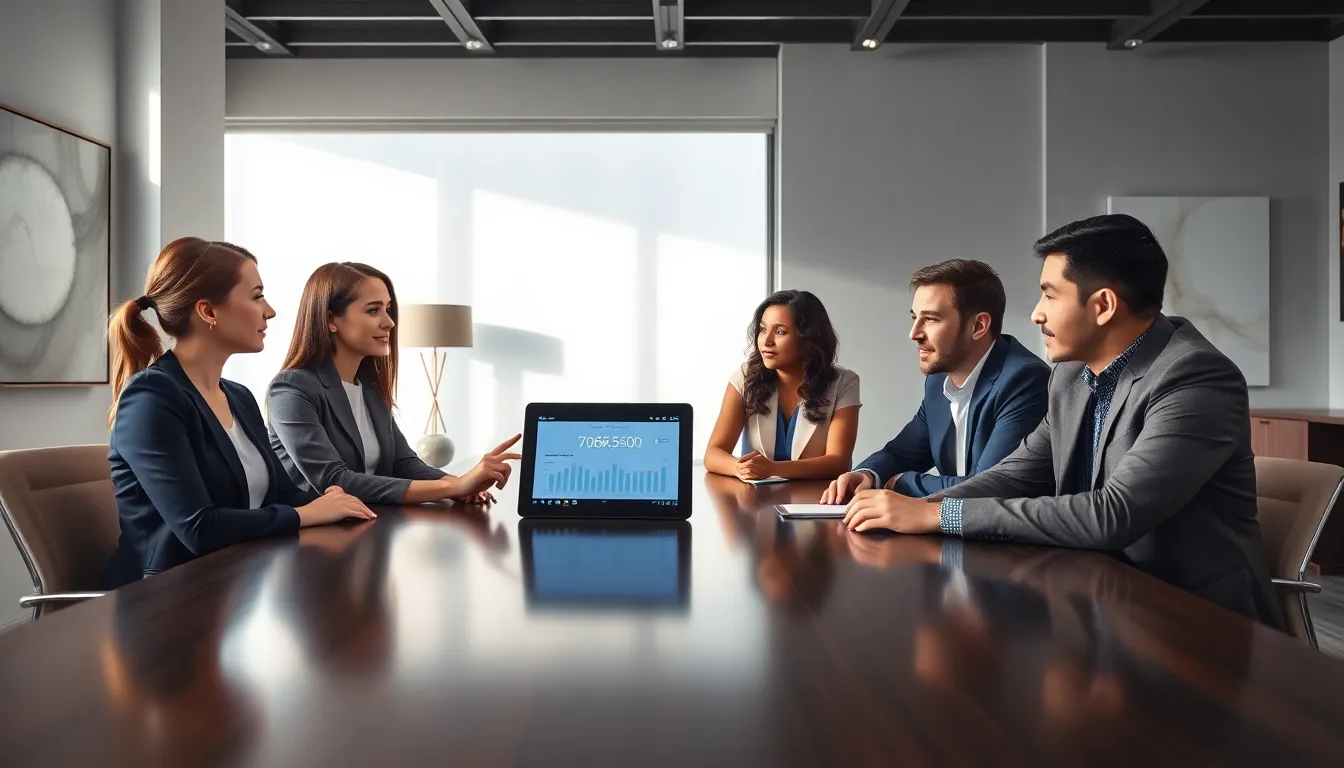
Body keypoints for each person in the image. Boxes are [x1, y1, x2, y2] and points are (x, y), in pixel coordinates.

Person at [841, 214, 1283, 627]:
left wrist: (940, 516)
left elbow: (1114, 514)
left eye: (1050, 294)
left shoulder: (1196, 378)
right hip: (1100, 601)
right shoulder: (1071, 376)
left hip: (1194, 618)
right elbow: (1015, 474)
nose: (1036, 312)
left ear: (1104, 305)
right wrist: (920, 510)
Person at [103, 238, 374, 589]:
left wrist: (335, 503)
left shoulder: (238, 396)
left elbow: (281, 494)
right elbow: (199, 529)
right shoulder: (151, 399)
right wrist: (304, 515)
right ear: (209, 312)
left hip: (231, 582)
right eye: (257, 296)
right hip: (160, 600)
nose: (270, 311)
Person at [267, 262, 521, 505]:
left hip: (370, 529)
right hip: (312, 539)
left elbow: (404, 463)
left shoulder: (370, 388)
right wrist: (454, 486)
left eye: (388, 309)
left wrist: (463, 485)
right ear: (330, 320)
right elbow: (334, 480)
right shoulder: (291, 389)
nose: (389, 322)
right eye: (373, 310)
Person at [821, 260, 1049, 503]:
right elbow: (901, 452)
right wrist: (867, 474)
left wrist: (901, 484)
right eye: (914, 318)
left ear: (978, 326)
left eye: (930, 319)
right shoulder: (938, 381)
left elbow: (988, 487)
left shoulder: (1024, 380)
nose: (914, 334)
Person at [704, 290, 860, 482]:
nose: (766, 341)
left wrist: (772, 469)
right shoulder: (746, 377)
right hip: (754, 500)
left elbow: (838, 463)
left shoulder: (844, 382)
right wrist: (739, 468)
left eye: (780, 332)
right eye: (762, 329)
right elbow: (713, 454)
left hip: (814, 501)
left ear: (808, 338)